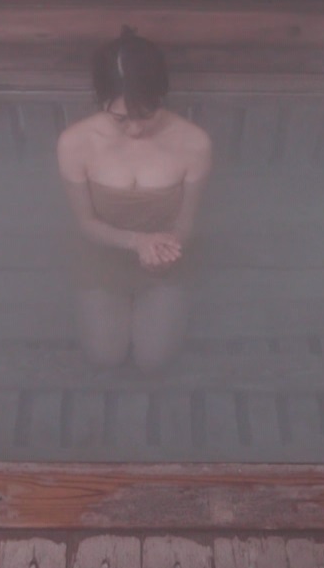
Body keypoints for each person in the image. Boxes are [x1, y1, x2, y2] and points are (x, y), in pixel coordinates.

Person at [57, 25, 213, 371]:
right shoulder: (75, 143)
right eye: (120, 118)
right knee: (104, 357)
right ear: (101, 100)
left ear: (161, 96)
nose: (135, 129)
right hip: (101, 251)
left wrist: (164, 251)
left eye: (146, 114)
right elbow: (85, 222)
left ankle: (159, 297)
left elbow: (186, 222)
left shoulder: (194, 142)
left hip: (167, 254)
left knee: (154, 361)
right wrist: (135, 242)